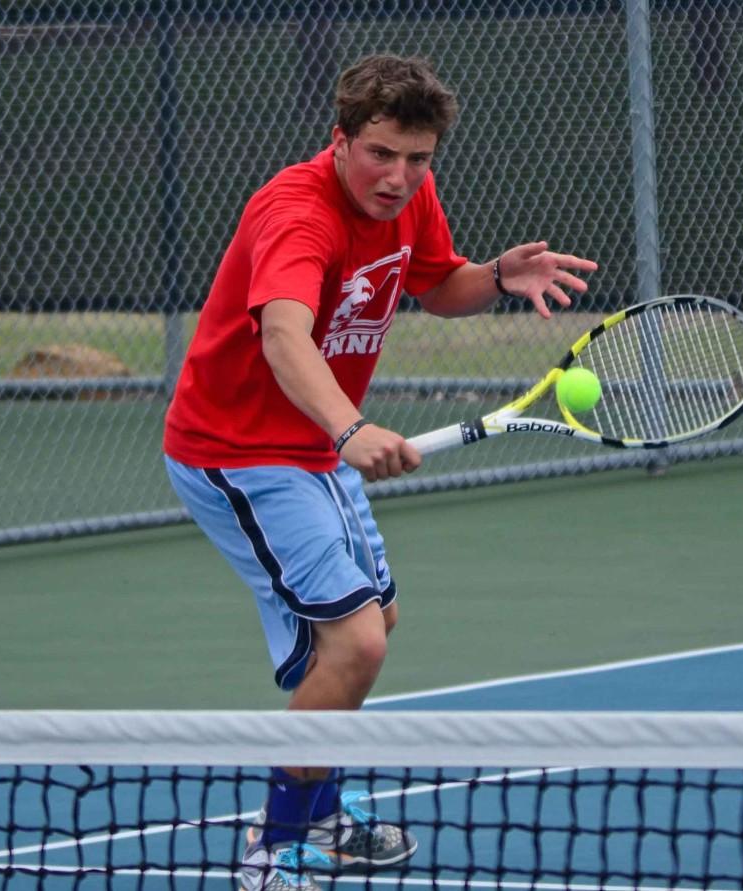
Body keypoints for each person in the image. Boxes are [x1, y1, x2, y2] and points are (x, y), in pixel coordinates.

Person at [162, 54, 597, 891]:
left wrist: (500, 277)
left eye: (419, 159)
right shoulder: (297, 215)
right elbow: (285, 335)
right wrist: (352, 427)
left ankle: (317, 810)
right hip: (238, 451)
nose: (399, 178)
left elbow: (437, 285)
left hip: (312, 450)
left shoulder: (409, 196)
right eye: (382, 155)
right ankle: (274, 847)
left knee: (373, 628)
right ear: (341, 140)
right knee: (354, 641)